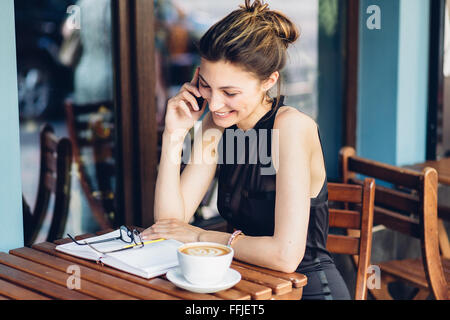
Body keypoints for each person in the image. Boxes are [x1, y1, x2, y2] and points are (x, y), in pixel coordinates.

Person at [141, 0, 351, 300]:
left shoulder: (290, 128)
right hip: (245, 284)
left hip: (307, 289)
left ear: (269, 81)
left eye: (230, 92)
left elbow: (285, 256)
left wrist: (200, 236)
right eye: (206, 86)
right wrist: (174, 134)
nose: (213, 104)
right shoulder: (218, 125)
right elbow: (168, 222)